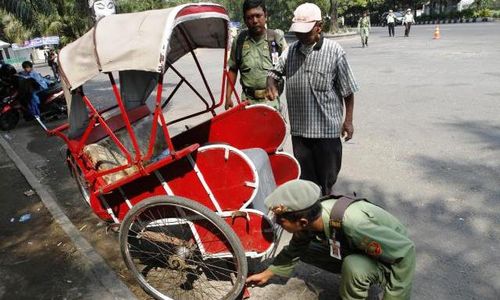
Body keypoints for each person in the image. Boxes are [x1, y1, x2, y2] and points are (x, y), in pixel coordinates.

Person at [246, 180, 416, 300]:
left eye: (280, 220)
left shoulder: (354, 223)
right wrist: (269, 273)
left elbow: (404, 252)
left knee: (354, 265)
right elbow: (296, 247)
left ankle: (357, 285)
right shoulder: (311, 217)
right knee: (307, 248)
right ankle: (355, 276)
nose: (277, 223)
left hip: (388, 254)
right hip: (358, 245)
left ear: (302, 221)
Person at [266, 2, 359, 195]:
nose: (301, 36)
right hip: (300, 133)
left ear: (319, 27)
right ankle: (311, 221)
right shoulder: (290, 51)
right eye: (298, 32)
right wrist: (271, 84)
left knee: (326, 183)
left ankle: (326, 219)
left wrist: (348, 121)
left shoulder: (335, 52)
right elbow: (274, 72)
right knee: (307, 186)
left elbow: (348, 91)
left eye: (305, 32)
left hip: (327, 133)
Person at [225, 0, 287, 111]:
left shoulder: (276, 38)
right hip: (248, 103)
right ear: (244, 19)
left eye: (258, 16)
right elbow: (233, 69)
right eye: (249, 17)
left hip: (271, 103)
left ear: (265, 15)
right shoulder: (239, 40)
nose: (254, 21)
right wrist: (228, 96)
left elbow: (289, 66)